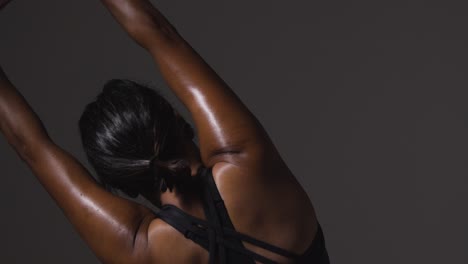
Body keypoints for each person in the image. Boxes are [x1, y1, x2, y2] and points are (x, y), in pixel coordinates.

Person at [0, 0, 330, 263]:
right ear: (174, 115)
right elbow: (159, 33)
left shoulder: (140, 249)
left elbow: (32, 149)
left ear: (120, 183)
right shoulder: (246, 164)